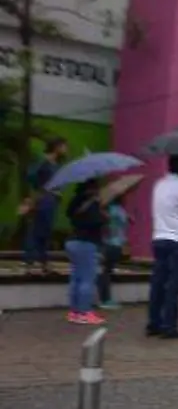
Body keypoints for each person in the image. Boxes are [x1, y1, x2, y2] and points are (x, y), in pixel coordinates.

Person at [147, 156, 178, 339]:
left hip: (159, 238)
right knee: (174, 285)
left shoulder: (159, 184)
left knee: (158, 283)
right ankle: (169, 326)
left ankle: (154, 323)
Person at [20, 137, 69, 275]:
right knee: (36, 230)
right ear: (57, 147)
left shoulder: (56, 164)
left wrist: (57, 193)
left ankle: (43, 263)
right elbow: (31, 176)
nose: (66, 150)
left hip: (52, 200)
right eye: (64, 147)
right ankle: (29, 263)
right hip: (43, 199)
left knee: (46, 232)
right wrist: (41, 190)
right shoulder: (43, 161)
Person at [65, 178, 106, 324]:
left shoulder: (75, 201)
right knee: (87, 279)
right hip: (86, 243)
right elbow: (95, 222)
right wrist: (102, 214)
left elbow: (71, 216)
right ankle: (85, 312)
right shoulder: (92, 203)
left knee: (76, 278)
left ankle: (74, 312)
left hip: (72, 241)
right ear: (92, 188)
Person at [97, 190, 131, 311]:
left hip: (109, 243)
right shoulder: (120, 211)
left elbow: (107, 225)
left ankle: (104, 298)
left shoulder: (110, 210)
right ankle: (105, 299)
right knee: (107, 272)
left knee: (105, 272)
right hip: (116, 244)